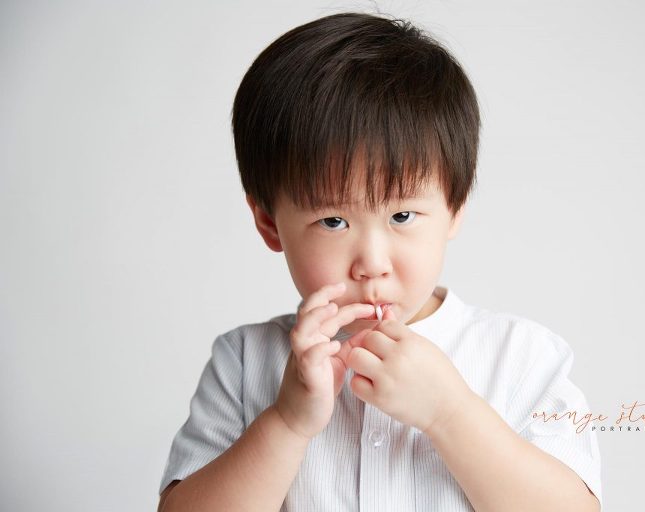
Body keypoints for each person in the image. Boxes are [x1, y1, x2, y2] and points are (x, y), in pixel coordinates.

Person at [158, 11, 602, 512]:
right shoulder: (244, 363)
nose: (372, 263)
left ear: (454, 208)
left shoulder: (521, 357)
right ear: (268, 223)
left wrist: (451, 414)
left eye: (403, 215)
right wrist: (286, 422)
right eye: (332, 222)